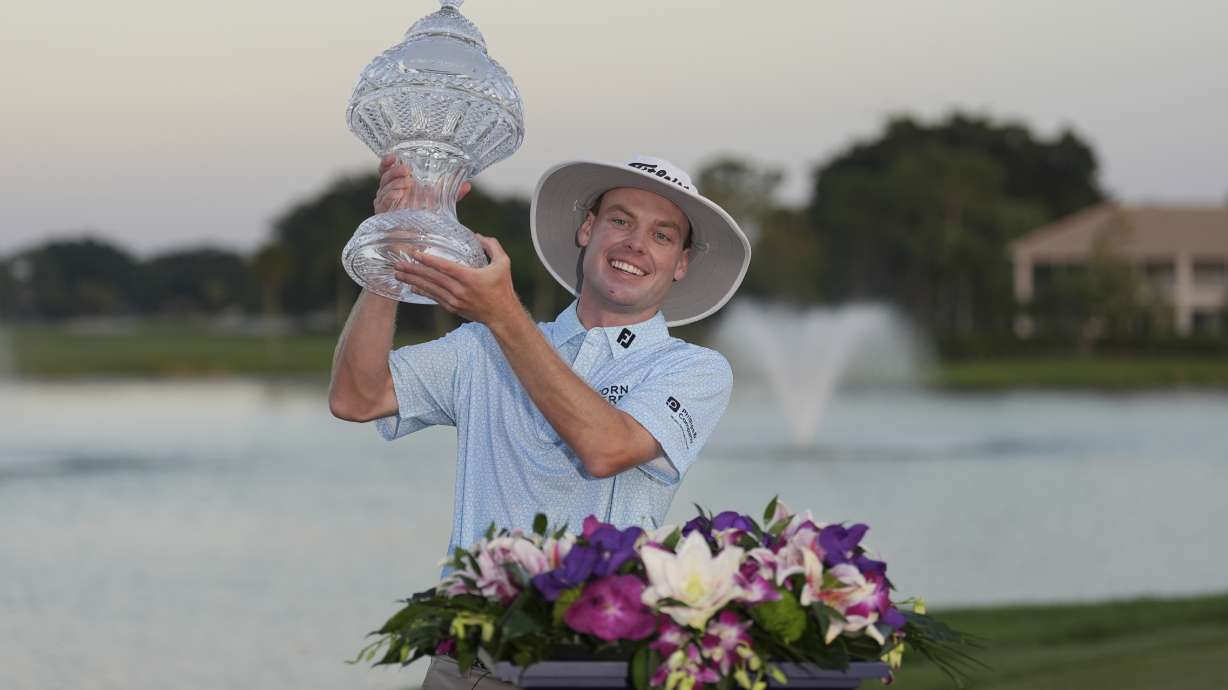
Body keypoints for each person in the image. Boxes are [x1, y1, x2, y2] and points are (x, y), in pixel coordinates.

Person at [328, 154, 750, 687]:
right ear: (587, 229)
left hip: (602, 665)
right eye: (620, 220)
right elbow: (356, 397)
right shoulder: (483, 345)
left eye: (662, 235)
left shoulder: (693, 368)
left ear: (680, 263)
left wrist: (504, 314)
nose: (635, 244)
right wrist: (390, 252)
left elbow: (606, 448)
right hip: (469, 661)